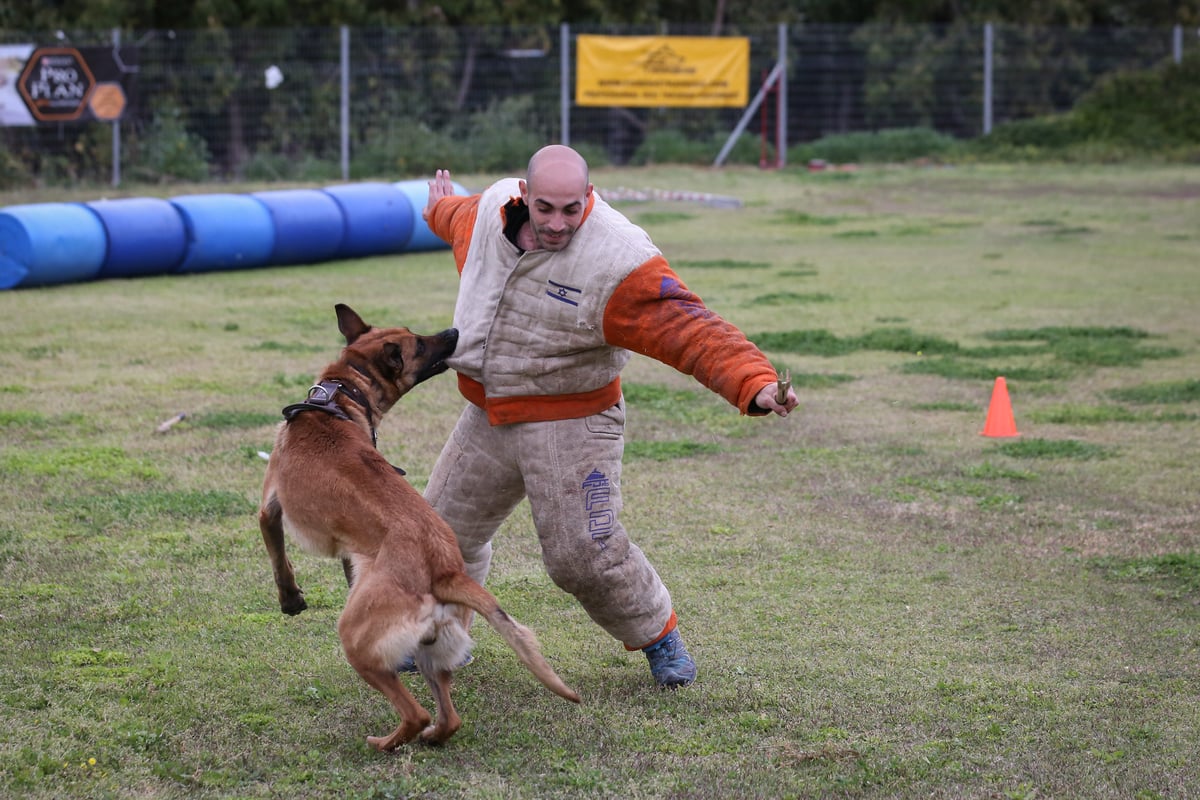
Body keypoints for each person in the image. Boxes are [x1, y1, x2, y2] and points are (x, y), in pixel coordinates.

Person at [419, 144, 797, 689]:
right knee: (439, 535)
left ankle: (659, 636)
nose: (558, 223)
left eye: (572, 209)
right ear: (524, 197)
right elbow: (460, 218)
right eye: (545, 208)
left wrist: (754, 382)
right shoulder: (490, 213)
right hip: (489, 413)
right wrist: (438, 209)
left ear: (589, 197)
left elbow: (689, 327)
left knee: (582, 556)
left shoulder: (618, 258)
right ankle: (446, 641)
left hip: (573, 421)